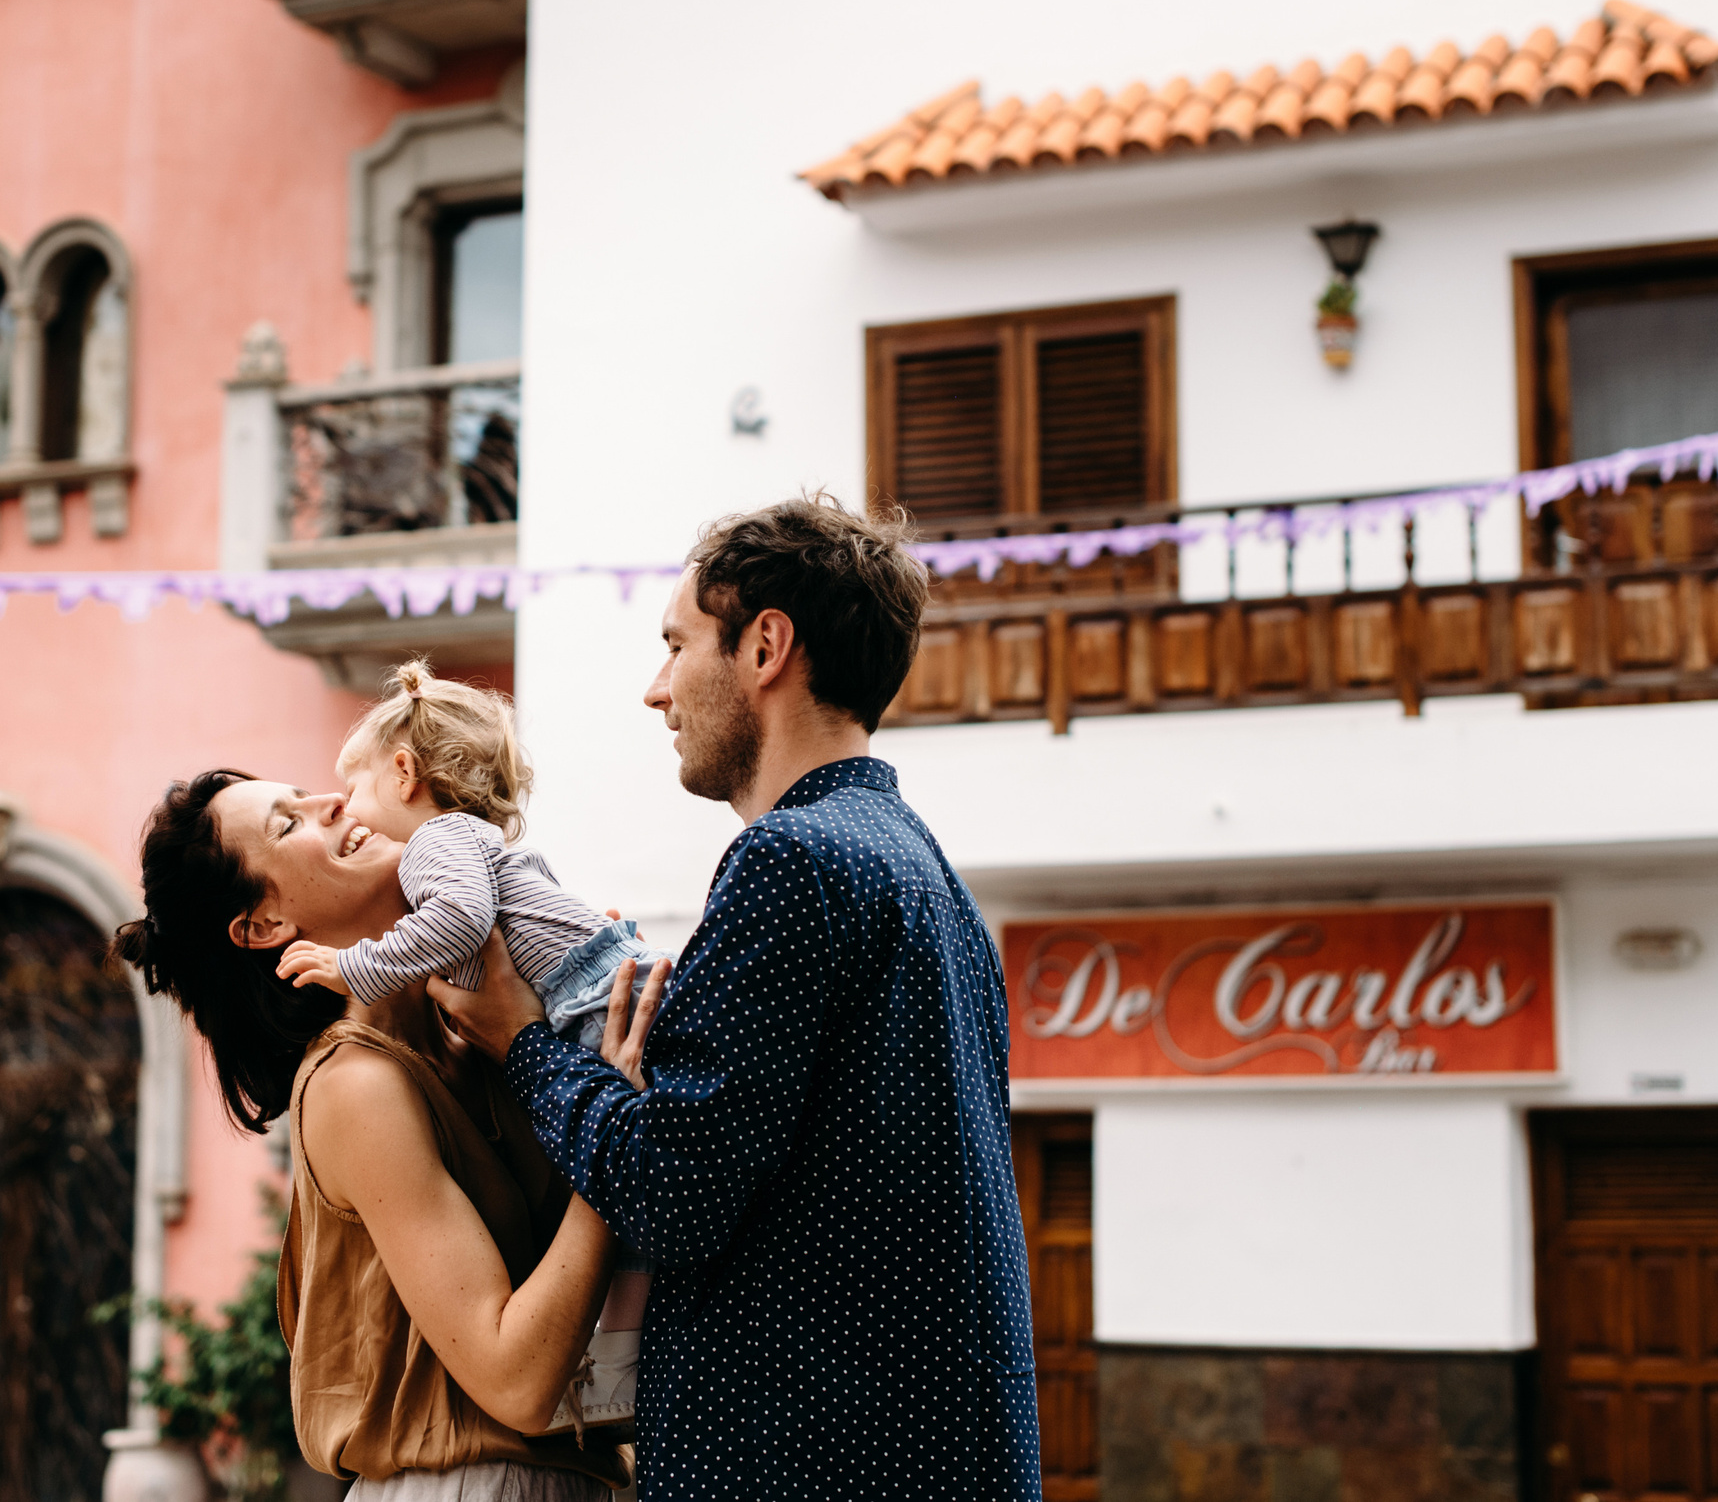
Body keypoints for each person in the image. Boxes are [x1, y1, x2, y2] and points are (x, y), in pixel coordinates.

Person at [429, 494, 1044, 1502]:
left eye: (675, 646)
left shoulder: (792, 861)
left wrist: (524, 1043)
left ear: (765, 647)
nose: (655, 690)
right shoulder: (918, 867)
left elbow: (672, 1194)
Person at [110, 768, 649, 1500]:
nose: (331, 799)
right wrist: (614, 1124)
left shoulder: (484, 1038)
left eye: (305, 792)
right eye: (287, 822)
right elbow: (516, 1378)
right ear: (265, 925)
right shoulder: (354, 1083)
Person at [272, 660, 666, 1430]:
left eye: (348, 791)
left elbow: (456, 922)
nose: (342, 808)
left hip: (589, 1004)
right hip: (592, 992)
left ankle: (623, 1375)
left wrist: (350, 962)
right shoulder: (471, 838)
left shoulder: (435, 842)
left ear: (404, 772)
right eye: (292, 820)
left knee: (650, 1180)